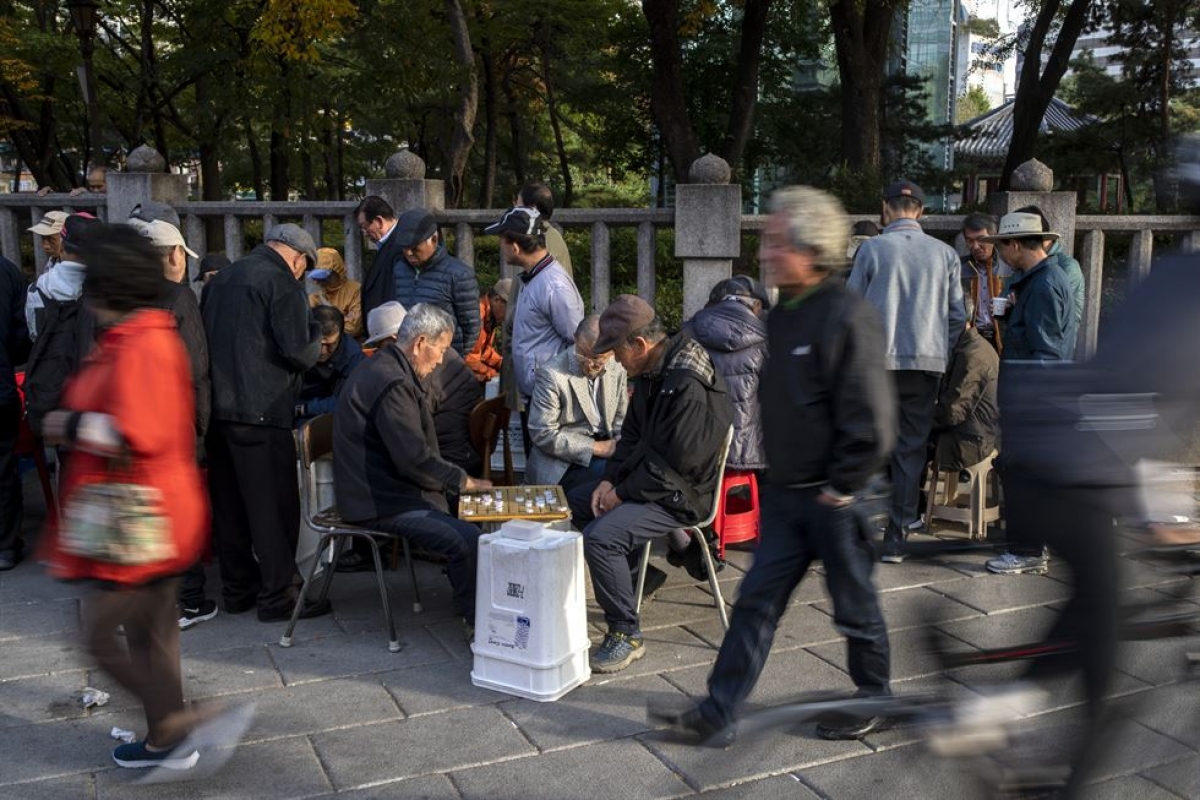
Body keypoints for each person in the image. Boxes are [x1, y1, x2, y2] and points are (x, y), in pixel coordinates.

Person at [651, 185, 895, 744]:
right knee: (755, 603)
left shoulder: (848, 316)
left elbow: (873, 422)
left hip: (839, 497)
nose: (764, 253)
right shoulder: (783, 315)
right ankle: (719, 710)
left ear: (810, 251)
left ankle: (874, 696)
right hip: (787, 494)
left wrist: (842, 485)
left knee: (855, 606)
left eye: (776, 242)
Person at [39, 224, 215, 770]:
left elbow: (138, 433)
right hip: (149, 513)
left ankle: (174, 721)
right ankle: (167, 739)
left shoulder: (141, 343)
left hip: (141, 518)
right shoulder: (141, 335)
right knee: (149, 633)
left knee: (100, 635)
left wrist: (68, 424)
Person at [568, 295, 733, 674]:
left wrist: (621, 493)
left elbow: (678, 465)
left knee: (602, 537)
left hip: (682, 493)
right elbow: (631, 437)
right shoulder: (652, 371)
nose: (615, 361)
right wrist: (608, 481)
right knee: (577, 500)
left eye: (617, 352)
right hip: (652, 478)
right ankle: (636, 580)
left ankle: (626, 632)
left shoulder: (688, 382)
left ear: (639, 345)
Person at [333, 304, 491, 630]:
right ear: (420, 343)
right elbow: (413, 459)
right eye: (441, 350)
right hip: (377, 499)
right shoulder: (392, 381)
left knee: (470, 517)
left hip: (385, 487)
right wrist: (463, 481)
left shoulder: (391, 368)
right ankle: (478, 623)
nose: (440, 360)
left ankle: (473, 601)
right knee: (467, 538)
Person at [201, 223, 325, 623]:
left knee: (230, 506)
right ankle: (278, 597)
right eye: (303, 267)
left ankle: (238, 590)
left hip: (220, 411)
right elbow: (300, 352)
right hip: (262, 411)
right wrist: (317, 328)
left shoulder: (222, 279)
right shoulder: (281, 281)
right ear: (297, 258)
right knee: (273, 508)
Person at [846, 180, 964, 563]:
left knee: (867, 442)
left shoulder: (872, 250)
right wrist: (938, 353)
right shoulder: (945, 254)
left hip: (877, 364)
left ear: (886, 208)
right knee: (910, 449)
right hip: (924, 365)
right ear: (922, 212)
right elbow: (956, 316)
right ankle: (897, 536)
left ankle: (857, 528)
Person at [129, 215, 216, 629]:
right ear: (175, 254)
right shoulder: (178, 297)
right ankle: (188, 601)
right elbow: (195, 366)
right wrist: (201, 427)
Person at [982, 212, 1075, 577]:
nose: (1000, 253)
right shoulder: (1037, 281)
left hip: (1033, 397)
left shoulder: (1044, 284)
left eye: (1001, 245)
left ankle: (1026, 549)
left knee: (1022, 474)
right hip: (1033, 394)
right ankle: (1033, 543)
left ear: (1015, 244)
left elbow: (1046, 353)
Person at [487, 206, 584, 450]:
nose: (501, 247)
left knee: (547, 476)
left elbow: (578, 341)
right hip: (537, 395)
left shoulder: (553, 286)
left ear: (515, 246)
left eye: (502, 240)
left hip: (551, 402)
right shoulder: (533, 278)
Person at [526, 315, 628, 492]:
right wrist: (596, 448)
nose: (589, 364)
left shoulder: (617, 368)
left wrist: (622, 448)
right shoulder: (552, 374)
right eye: (582, 354)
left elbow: (621, 418)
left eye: (598, 359)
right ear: (575, 339)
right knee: (615, 477)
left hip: (607, 447)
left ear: (612, 352)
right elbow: (542, 433)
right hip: (563, 462)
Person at [684, 275, 769, 473]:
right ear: (756, 306)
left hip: (690, 450)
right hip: (745, 456)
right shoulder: (766, 340)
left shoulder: (685, 334)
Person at [391, 208, 479, 356]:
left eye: (414, 248)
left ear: (434, 239)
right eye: (404, 248)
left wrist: (456, 357)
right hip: (409, 356)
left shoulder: (459, 274)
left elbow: (471, 326)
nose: (408, 253)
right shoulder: (399, 269)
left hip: (445, 359)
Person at [931, 292, 999, 472]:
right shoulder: (970, 345)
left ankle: (911, 497)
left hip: (970, 440)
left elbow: (953, 411)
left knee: (907, 438)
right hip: (971, 431)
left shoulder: (972, 356)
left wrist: (921, 419)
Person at [26, 212, 98, 341]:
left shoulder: (40, 287)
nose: (45, 246)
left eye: (51, 239)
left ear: (63, 240)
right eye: (43, 238)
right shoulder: (44, 277)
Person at [0, 254, 28, 571]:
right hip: (1, 387)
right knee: (3, 467)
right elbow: (21, 339)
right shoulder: (8, 272)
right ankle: (5, 544)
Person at [297, 305, 366, 420]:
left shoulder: (352, 356)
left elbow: (346, 400)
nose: (323, 351)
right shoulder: (294, 346)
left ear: (340, 338)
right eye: (318, 344)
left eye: (330, 345)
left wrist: (305, 409)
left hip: (330, 411)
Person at [356, 196, 406, 319]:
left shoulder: (400, 246)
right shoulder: (387, 244)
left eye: (365, 226)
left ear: (379, 221)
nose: (365, 233)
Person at [960, 213, 1003, 352]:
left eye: (980, 239)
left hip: (1003, 337)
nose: (975, 246)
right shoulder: (960, 268)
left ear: (993, 237)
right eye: (969, 241)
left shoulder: (1009, 266)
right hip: (972, 338)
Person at [516, 182, 573, 279]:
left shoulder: (544, 238)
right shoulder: (543, 233)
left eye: (518, 203)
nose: (515, 208)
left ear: (532, 208)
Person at [308, 247, 363, 339]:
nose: (318, 282)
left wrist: (324, 327)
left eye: (323, 277)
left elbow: (353, 328)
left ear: (337, 272)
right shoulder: (315, 298)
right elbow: (308, 327)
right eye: (315, 278)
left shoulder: (355, 290)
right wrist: (344, 319)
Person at [464, 278, 510, 383]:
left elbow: (484, 352)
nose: (509, 315)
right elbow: (467, 358)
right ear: (497, 300)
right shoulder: (477, 315)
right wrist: (491, 374)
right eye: (508, 308)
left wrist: (502, 363)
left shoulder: (490, 317)